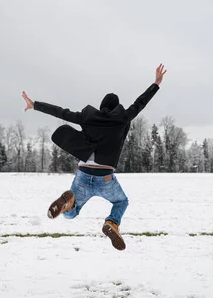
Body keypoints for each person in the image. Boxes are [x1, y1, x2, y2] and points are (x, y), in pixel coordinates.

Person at [21, 64, 167, 250]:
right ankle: (112, 223)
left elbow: (62, 112)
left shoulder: (88, 117)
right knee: (121, 201)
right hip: (105, 178)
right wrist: (156, 83)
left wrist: (35, 105)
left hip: (83, 174)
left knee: (72, 214)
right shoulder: (122, 118)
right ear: (116, 108)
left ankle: (68, 204)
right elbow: (140, 103)